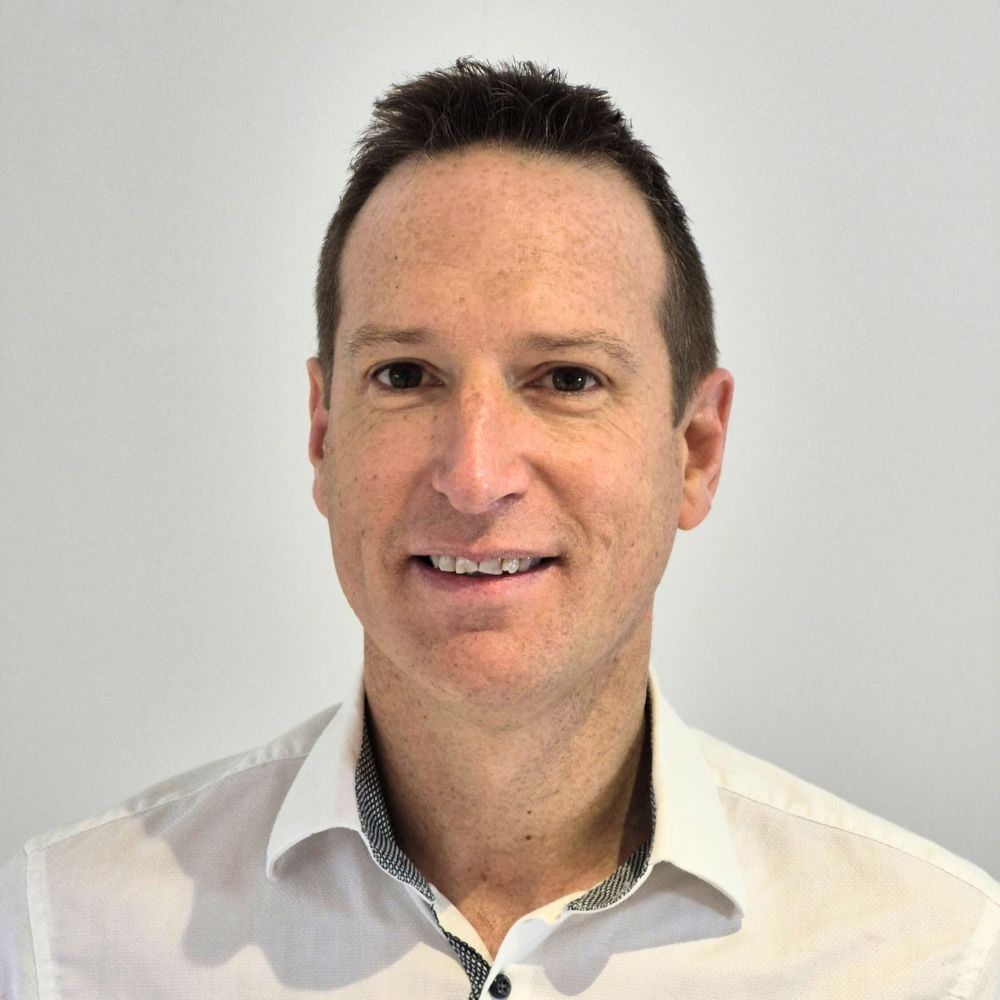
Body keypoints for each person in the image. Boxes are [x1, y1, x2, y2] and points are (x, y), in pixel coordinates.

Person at [1, 58, 997, 999]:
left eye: (567, 378)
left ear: (694, 450)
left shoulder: (933, 960)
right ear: (323, 435)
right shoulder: (64, 942)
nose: (474, 478)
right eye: (404, 375)